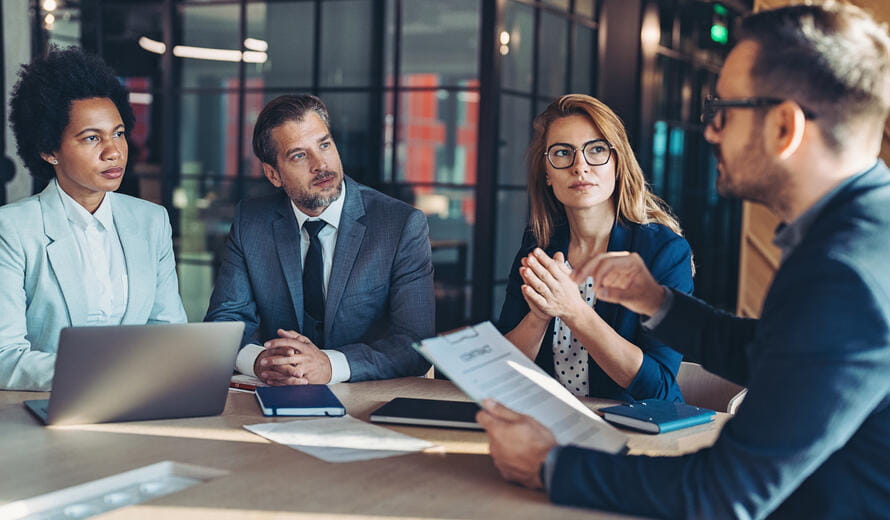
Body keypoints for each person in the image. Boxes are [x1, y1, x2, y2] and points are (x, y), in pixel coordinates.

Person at [478, 3, 890, 518]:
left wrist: (549, 464)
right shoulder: (862, 234)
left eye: (725, 111)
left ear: (785, 127)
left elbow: (722, 493)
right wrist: (656, 301)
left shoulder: (844, 273)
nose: (710, 131)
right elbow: (768, 349)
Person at [205, 94, 433, 385]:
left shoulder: (400, 225)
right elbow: (225, 322)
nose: (320, 164)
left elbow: (415, 343)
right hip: (278, 393)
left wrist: (329, 365)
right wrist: (260, 361)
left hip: (369, 398)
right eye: (299, 155)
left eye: (324, 144)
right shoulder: (252, 221)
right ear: (273, 174)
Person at [0, 47, 187, 391]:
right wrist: (105, 374)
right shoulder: (12, 230)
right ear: (48, 149)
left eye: (118, 133)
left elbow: (168, 333)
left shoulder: (151, 220)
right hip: (44, 411)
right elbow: (4, 356)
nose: (113, 151)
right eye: (91, 138)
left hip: (140, 404)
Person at [497, 94, 693, 402]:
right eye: (562, 153)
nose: (580, 166)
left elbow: (659, 388)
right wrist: (538, 316)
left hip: (638, 431)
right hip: (550, 425)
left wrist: (573, 310)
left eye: (597, 150)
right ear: (547, 173)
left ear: (617, 163)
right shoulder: (539, 246)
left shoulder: (665, 252)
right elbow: (502, 374)